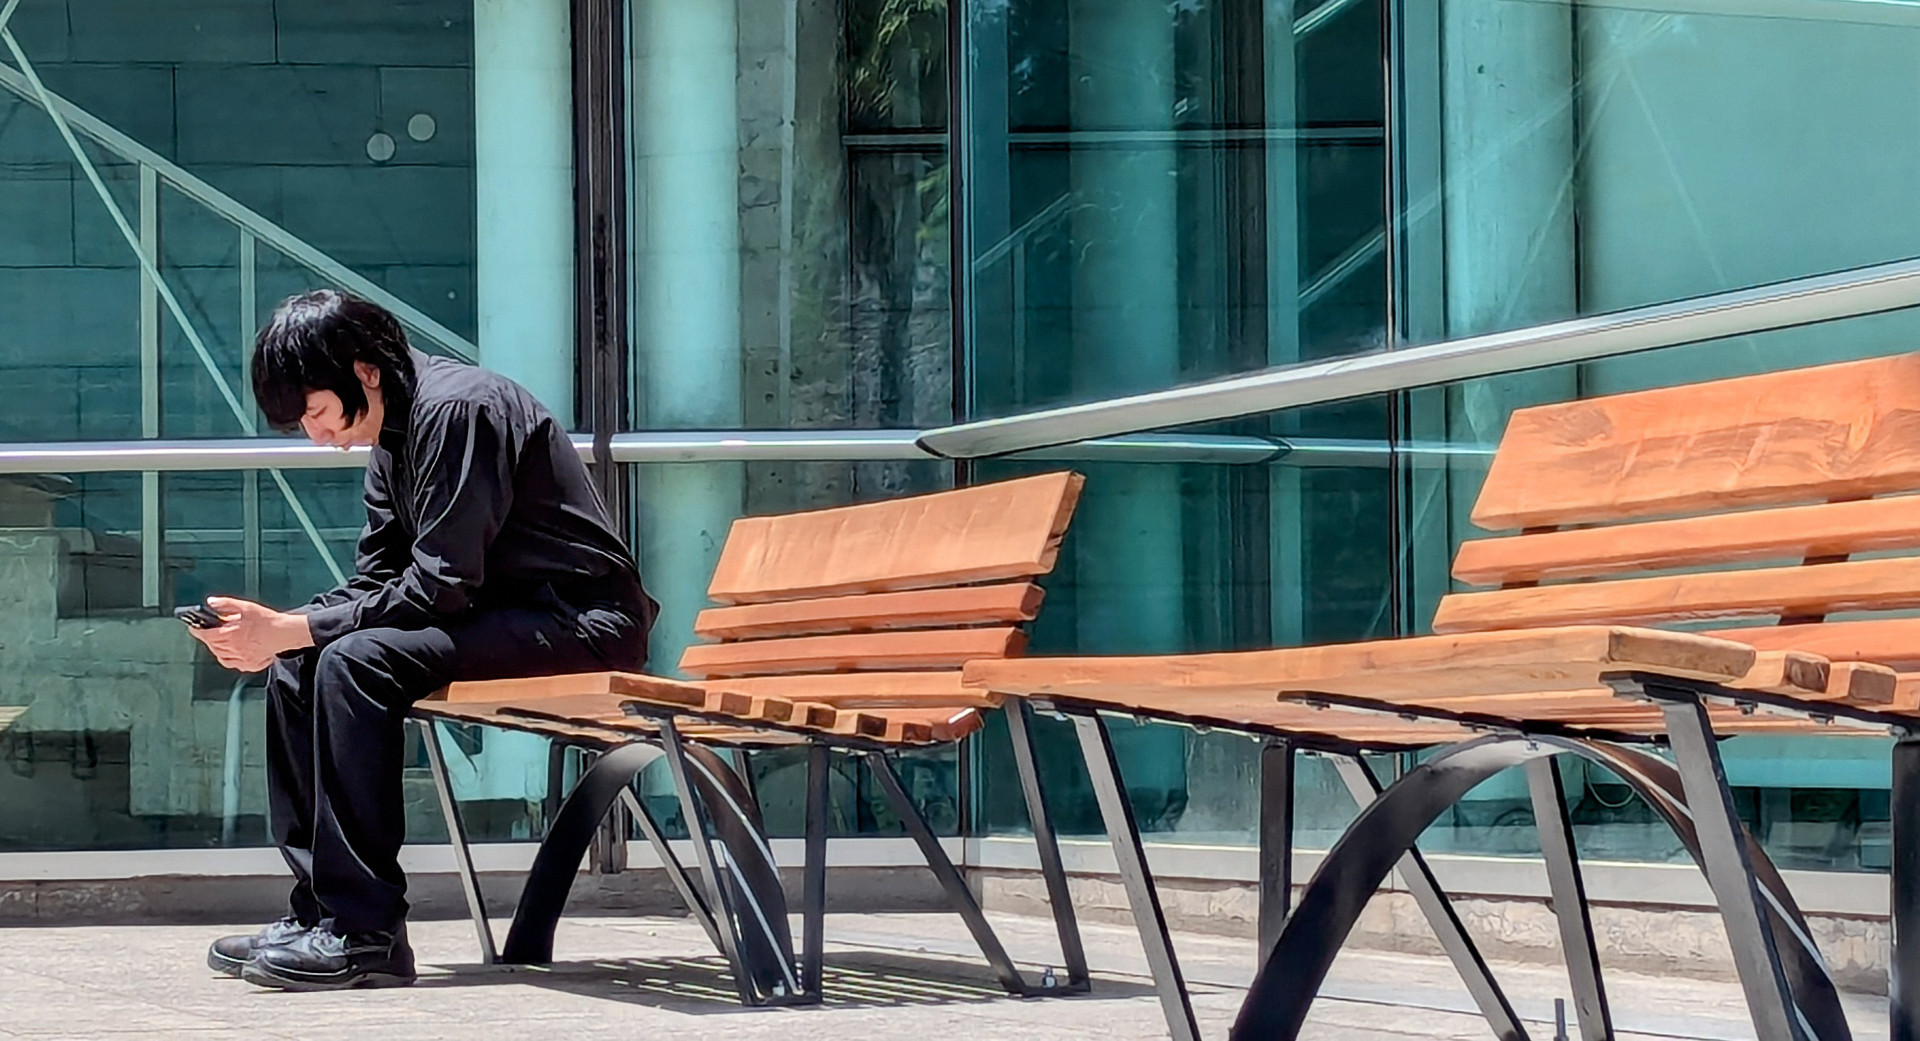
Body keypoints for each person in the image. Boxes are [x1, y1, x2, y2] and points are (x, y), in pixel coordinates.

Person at [190, 289, 657, 991]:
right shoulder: (393, 436)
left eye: (316, 411)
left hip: (580, 623)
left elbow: (442, 583)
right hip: (496, 617)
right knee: (300, 663)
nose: (315, 436)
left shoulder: (460, 411)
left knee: (354, 661)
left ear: (364, 371)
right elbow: (379, 579)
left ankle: (366, 932)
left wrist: (296, 628)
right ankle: (321, 912)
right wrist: (279, 630)